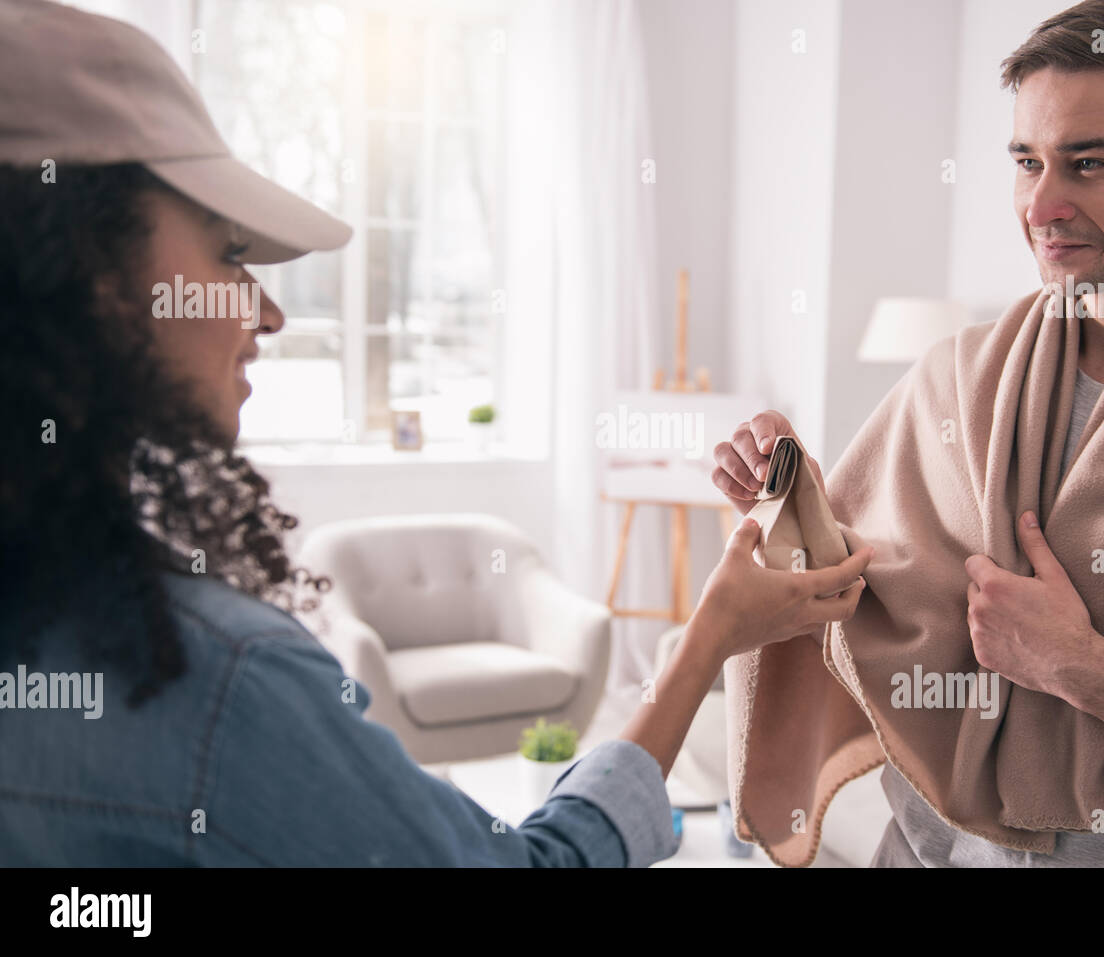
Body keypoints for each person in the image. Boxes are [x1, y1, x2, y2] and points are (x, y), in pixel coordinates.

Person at [0, 0, 874, 866]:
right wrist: (706, 638)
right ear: (86, 267)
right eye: (230, 253)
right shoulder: (216, 682)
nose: (266, 311)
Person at [713, 0, 1104, 867]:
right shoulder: (957, 377)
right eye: (1027, 161)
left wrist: (1080, 666)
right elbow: (853, 590)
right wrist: (786, 491)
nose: (1041, 205)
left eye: (1089, 164)